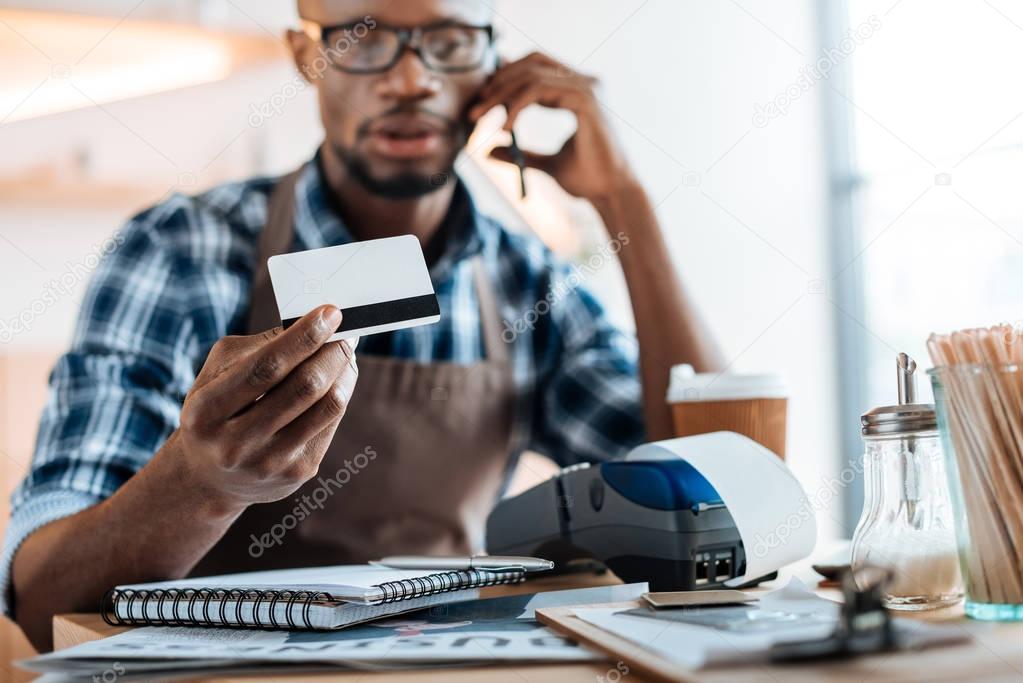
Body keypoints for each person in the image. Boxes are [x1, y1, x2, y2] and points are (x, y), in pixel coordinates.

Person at [4, 0, 721, 650]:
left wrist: (625, 204)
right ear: (301, 54)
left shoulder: (528, 283)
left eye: (447, 40)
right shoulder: (182, 251)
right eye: (361, 39)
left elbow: (715, 491)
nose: (410, 79)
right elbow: (44, 602)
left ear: (496, 63)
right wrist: (201, 482)